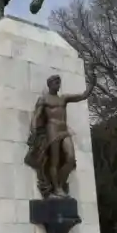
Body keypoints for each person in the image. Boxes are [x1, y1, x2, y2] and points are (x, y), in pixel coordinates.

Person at [26, 67, 96, 198]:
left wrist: (92, 83)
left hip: (64, 131)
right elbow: (36, 116)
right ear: (50, 84)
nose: (58, 85)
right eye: (56, 82)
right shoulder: (44, 99)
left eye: (59, 82)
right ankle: (57, 188)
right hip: (52, 131)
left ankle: (60, 183)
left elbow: (83, 95)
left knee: (70, 158)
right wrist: (33, 131)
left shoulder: (63, 98)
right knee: (55, 161)